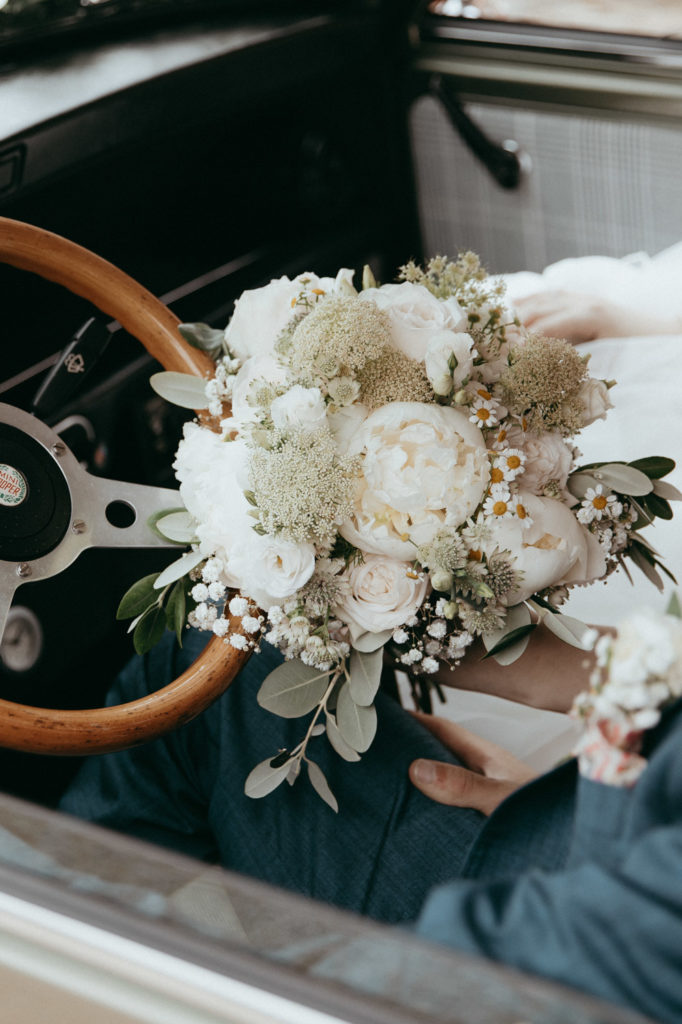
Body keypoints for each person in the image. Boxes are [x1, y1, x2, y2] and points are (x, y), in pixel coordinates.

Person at [60, 615, 682, 1024]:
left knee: (222, 669)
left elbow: (570, 965)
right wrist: (582, 692)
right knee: (230, 654)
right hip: (606, 851)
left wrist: (248, 999)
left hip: (563, 954)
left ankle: (49, 965)